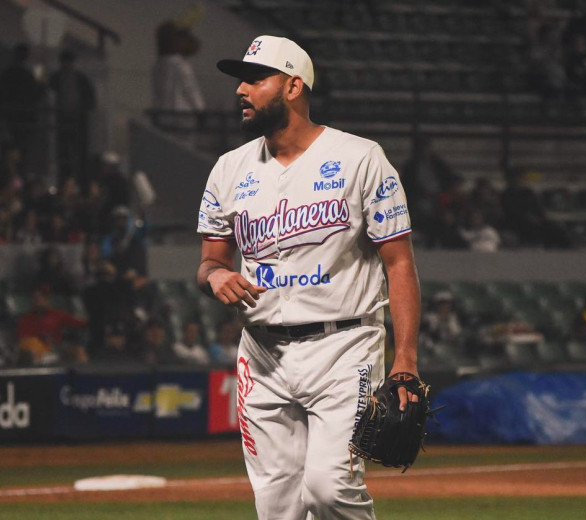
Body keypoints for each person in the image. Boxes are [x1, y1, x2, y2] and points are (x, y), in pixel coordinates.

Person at [196, 35, 421, 519]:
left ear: (294, 85)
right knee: (277, 508)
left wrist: (405, 358)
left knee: (328, 489)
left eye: (256, 78)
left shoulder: (361, 158)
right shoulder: (227, 170)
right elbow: (210, 261)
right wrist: (214, 277)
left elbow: (398, 262)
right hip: (261, 353)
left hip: (344, 346)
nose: (241, 89)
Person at [49, 50, 96, 180]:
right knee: (64, 153)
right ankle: (66, 178)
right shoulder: (59, 78)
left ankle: (75, 178)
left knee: (76, 152)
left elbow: (90, 99)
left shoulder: (78, 78)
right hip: (64, 120)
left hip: (75, 120)